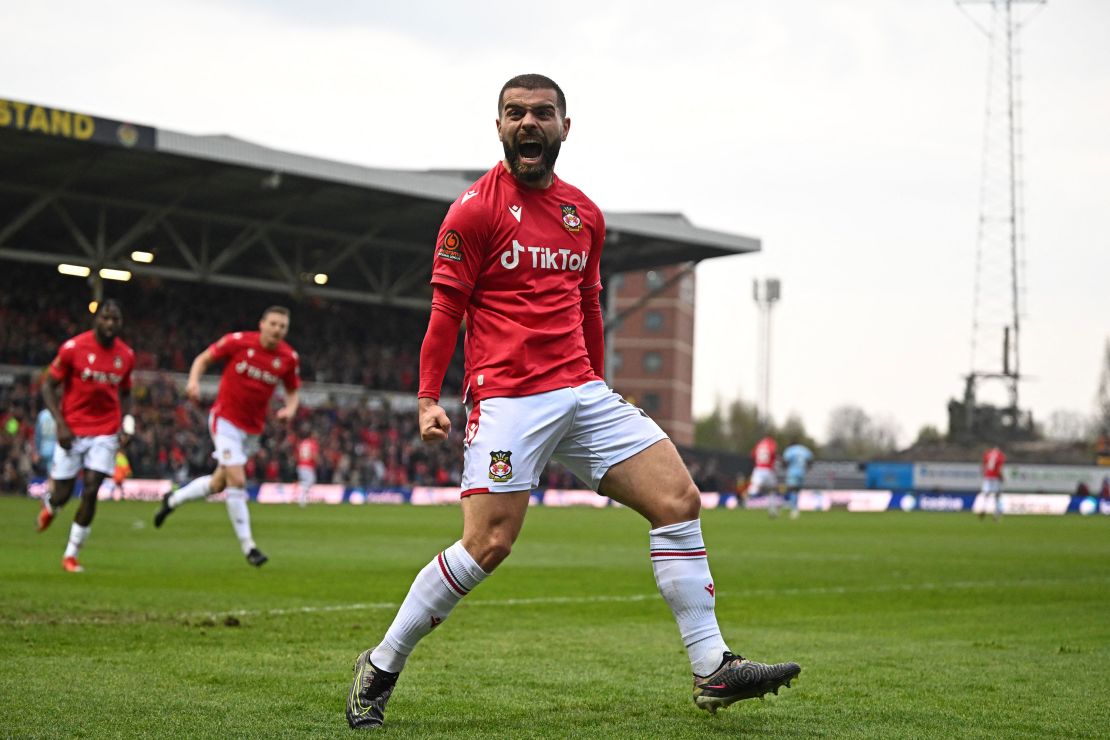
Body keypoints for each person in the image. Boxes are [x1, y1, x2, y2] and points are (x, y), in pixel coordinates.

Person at [345, 74, 800, 730]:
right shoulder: (472, 212)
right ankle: (383, 662)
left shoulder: (584, 213)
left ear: (565, 125)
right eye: (514, 113)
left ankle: (712, 667)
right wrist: (426, 398)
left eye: (541, 113)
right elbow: (446, 310)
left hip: (581, 391)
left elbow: (589, 303)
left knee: (677, 500)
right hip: (509, 399)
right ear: (498, 126)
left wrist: (594, 381)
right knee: (488, 544)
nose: (528, 123)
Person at [153, 306, 300, 567]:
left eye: (283, 326)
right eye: (274, 324)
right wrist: (193, 382)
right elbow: (203, 359)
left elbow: (292, 390)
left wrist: (290, 408)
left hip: (252, 430)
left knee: (218, 484)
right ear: (262, 324)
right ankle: (249, 547)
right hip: (225, 420)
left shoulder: (288, 357)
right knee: (237, 479)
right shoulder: (238, 342)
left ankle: (173, 499)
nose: (278, 330)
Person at [35, 300, 135, 573]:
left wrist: (126, 423)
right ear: (96, 319)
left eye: (115, 319)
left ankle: (71, 554)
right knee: (63, 494)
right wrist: (60, 424)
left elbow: (126, 392)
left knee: (91, 489)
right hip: (73, 429)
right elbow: (48, 385)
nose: (111, 324)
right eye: (106, 318)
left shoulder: (125, 355)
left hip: (105, 431)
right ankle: (51, 505)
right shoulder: (72, 349)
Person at [747, 435, 780, 517]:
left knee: (753, 488)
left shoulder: (759, 444)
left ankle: (745, 502)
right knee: (772, 490)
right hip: (767, 470)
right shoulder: (771, 444)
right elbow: (773, 453)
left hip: (758, 469)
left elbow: (752, 455)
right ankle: (773, 510)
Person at [781, 441, 814, 520]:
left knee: (792, 490)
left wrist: (785, 467)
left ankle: (794, 509)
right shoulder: (804, 450)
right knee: (797, 491)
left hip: (793, 472)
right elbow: (810, 460)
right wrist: (806, 468)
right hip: (801, 473)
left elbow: (785, 461)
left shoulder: (790, 450)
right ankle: (793, 506)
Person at [979, 445, 1005, 521]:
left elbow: (983, 466)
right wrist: (1002, 477)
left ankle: (983, 508)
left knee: (986, 494)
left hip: (987, 477)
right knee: (997, 495)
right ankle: (996, 514)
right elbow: (999, 469)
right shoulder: (1000, 456)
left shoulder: (987, 454)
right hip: (995, 477)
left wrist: (983, 474)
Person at [295, 426, 319, 507]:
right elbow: (314, 455)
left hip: (301, 465)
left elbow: (297, 454)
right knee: (309, 481)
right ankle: (302, 499)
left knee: (307, 481)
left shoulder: (302, 443)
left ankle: (303, 498)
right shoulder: (313, 443)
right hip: (308, 465)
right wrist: (316, 461)